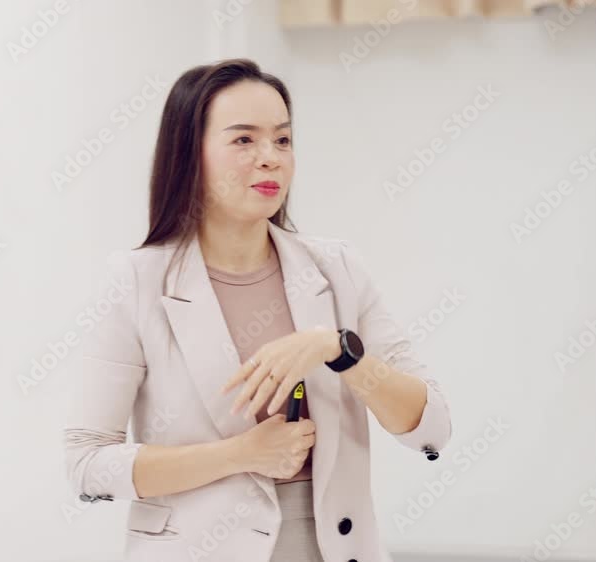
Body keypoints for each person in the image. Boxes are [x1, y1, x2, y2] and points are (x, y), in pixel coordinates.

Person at [63, 58, 452, 562]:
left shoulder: (338, 269)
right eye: (244, 139)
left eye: (282, 140)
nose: (270, 158)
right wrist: (240, 455)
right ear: (190, 153)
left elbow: (431, 428)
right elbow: (88, 464)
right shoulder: (136, 281)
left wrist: (337, 350)